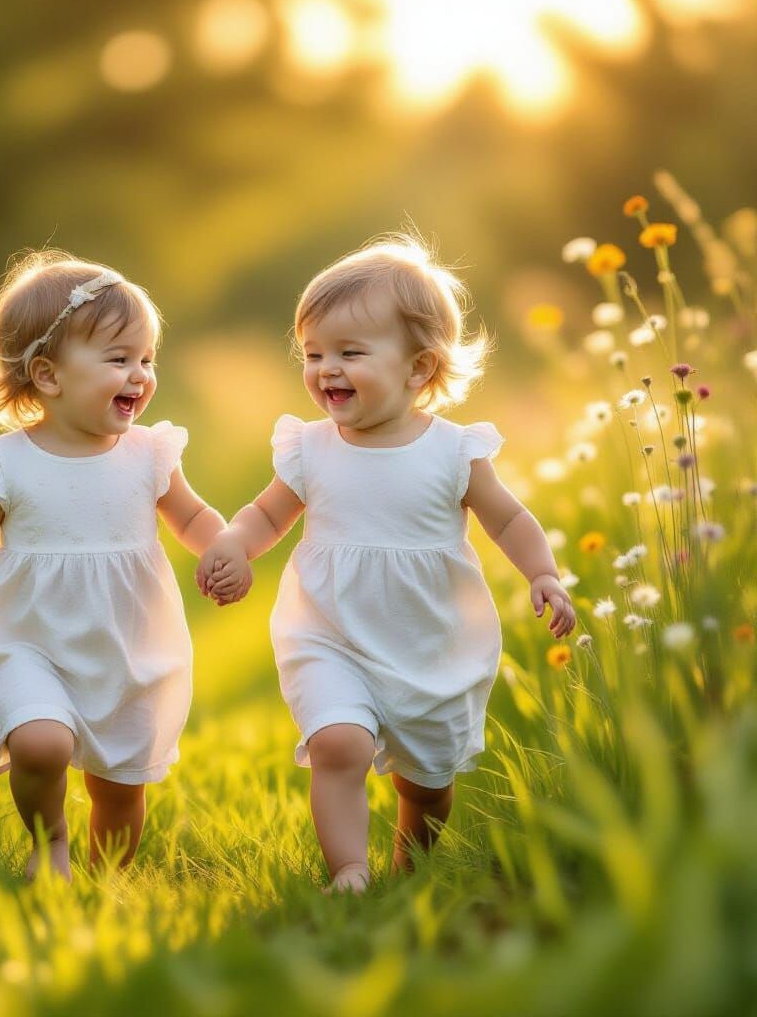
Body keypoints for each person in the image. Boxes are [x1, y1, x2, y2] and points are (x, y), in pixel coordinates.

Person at [197, 234, 576, 893]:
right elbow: (266, 515)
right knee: (336, 743)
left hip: (429, 638)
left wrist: (542, 571)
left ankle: (411, 860)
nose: (325, 369)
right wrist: (233, 542)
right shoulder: (310, 449)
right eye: (313, 353)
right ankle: (349, 871)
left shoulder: (455, 452)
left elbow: (508, 519)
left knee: (425, 782)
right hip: (329, 630)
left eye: (350, 353)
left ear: (420, 369)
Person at [0, 251, 226, 881]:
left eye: (146, 359)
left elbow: (192, 516)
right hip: (29, 637)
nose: (139, 376)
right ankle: (50, 846)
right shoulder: (8, 463)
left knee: (120, 789)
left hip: (126, 642)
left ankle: (102, 882)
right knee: (41, 743)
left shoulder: (149, 455)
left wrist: (223, 548)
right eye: (118, 359)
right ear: (47, 375)